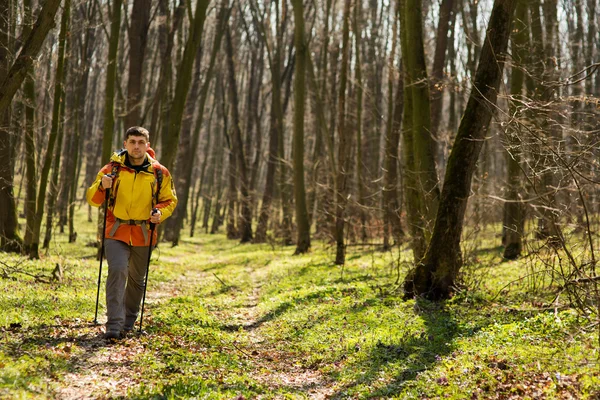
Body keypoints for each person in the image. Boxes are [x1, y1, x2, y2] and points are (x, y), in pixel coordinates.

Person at [87, 127, 177, 339]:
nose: (136, 146)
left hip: (144, 232)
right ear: (125, 144)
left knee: (137, 279)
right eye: (132, 142)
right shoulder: (111, 169)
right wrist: (102, 184)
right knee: (117, 271)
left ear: (148, 145)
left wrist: (160, 213)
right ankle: (114, 325)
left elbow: (170, 200)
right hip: (116, 230)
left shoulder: (159, 172)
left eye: (140, 142)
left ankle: (128, 321)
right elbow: (93, 199)